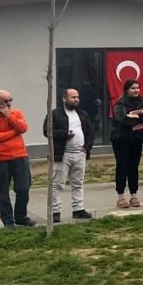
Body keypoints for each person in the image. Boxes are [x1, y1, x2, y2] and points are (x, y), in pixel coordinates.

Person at [0, 89, 34, 227]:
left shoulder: (16, 113)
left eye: (10, 100)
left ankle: (20, 216)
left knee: (23, 188)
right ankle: (8, 221)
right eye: (6, 101)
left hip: (20, 156)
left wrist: (10, 117)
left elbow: (23, 128)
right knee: (3, 191)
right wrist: (14, 132)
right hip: (1, 159)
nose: (9, 103)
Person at [46, 88, 95, 222]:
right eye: (73, 97)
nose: (76, 99)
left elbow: (90, 131)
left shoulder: (82, 114)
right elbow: (47, 131)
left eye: (77, 97)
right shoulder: (55, 114)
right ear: (64, 98)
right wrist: (64, 134)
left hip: (80, 153)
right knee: (57, 184)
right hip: (62, 154)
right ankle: (55, 211)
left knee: (78, 183)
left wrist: (87, 146)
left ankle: (78, 209)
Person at [111, 79, 143, 209]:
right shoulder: (120, 103)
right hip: (121, 140)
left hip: (136, 139)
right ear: (127, 90)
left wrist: (135, 117)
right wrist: (136, 119)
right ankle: (120, 196)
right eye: (133, 88)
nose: (136, 90)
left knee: (134, 167)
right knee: (122, 167)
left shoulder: (142, 102)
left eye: (137, 88)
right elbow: (122, 119)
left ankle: (134, 194)